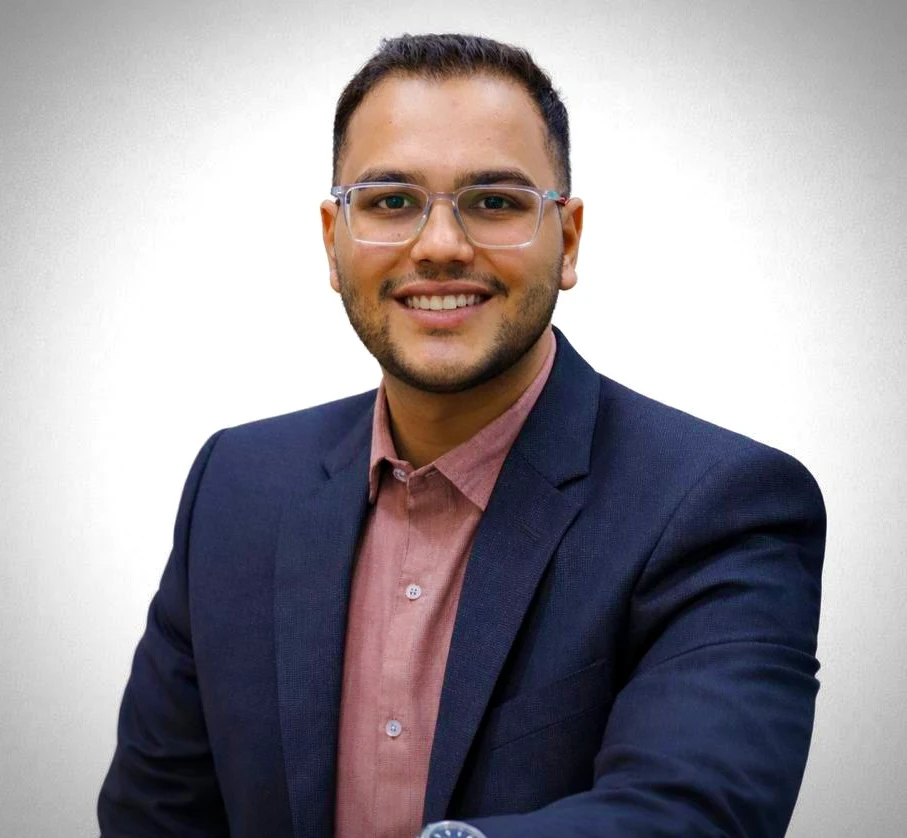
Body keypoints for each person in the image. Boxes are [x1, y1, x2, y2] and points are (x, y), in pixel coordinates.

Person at [98, 33, 825, 838]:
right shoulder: (235, 485)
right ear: (333, 242)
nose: (440, 246)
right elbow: (155, 817)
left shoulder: (721, 505)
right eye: (390, 201)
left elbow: (692, 815)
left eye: (494, 202)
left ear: (568, 240)